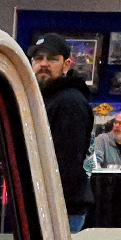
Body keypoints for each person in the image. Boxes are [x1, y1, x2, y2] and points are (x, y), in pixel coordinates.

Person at [29, 38, 94, 229]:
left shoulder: (69, 102)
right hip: (47, 203)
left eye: (52, 59)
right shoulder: (46, 97)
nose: (44, 64)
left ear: (67, 64)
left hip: (60, 208)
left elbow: (67, 163)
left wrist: (47, 202)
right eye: (38, 58)